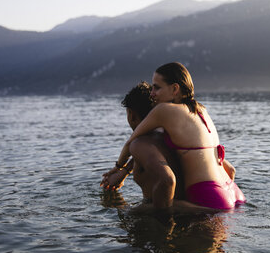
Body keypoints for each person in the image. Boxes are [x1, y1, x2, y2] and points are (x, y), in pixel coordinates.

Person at [105, 62, 246, 210]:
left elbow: (131, 143)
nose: (152, 93)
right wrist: (126, 171)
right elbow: (230, 169)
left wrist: (118, 168)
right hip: (233, 192)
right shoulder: (201, 110)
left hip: (211, 198)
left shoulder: (164, 110)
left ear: (174, 89)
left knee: (139, 210)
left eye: (157, 87)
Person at [101, 81, 205, 211]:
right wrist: (124, 172)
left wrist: (131, 211)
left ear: (132, 115)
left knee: (113, 207)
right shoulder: (170, 136)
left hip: (166, 214)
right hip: (191, 205)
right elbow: (154, 156)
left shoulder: (140, 144)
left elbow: (167, 181)